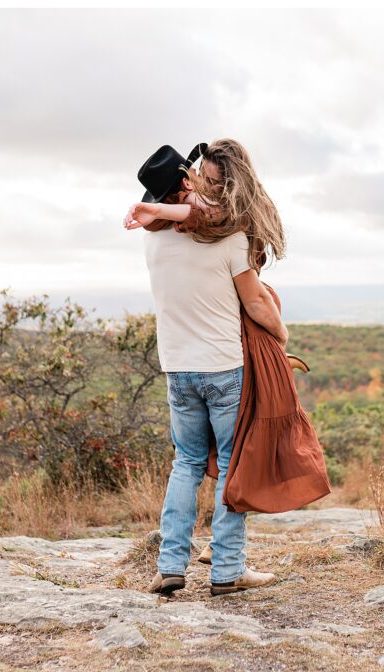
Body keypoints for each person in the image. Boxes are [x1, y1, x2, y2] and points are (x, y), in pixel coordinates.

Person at [124, 139, 289, 596]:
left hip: (177, 367)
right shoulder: (231, 236)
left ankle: (170, 566)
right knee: (234, 463)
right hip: (222, 366)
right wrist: (280, 335)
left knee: (188, 463)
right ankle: (227, 569)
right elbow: (254, 300)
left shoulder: (152, 240)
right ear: (186, 180)